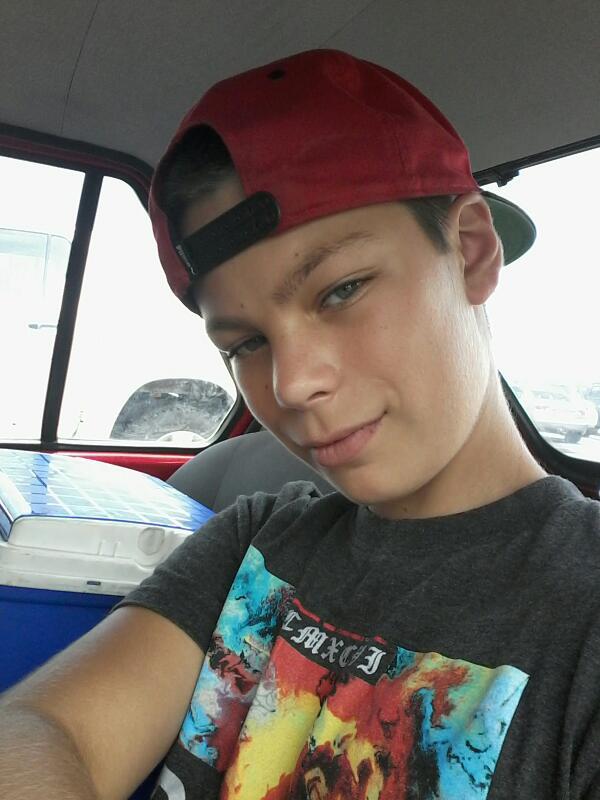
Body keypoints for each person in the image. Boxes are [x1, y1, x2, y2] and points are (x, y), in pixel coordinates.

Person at [1, 48, 599, 800]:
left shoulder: (583, 615)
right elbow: (42, 728)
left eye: (341, 290)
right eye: (246, 343)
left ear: (471, 250)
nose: (290, 383)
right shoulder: (258, 542)